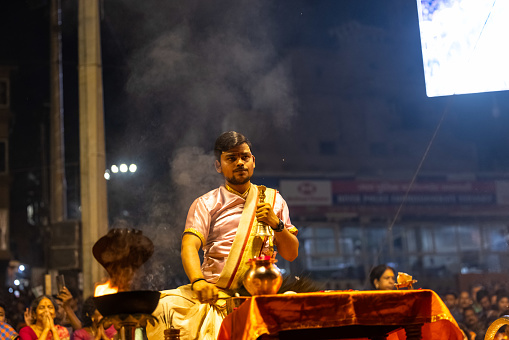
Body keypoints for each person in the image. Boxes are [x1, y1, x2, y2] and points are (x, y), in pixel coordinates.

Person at [147, 131, 299, 340]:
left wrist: (277, 224)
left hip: (262, 294)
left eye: (244, 157)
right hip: (216, 295)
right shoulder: (206, 203)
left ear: (253, 161)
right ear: (218, 165)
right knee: (162, 307)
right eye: (231, 158)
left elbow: (291, 254)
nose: (239, 163)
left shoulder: (274, 201)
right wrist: (198, 282)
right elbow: (189, 246)